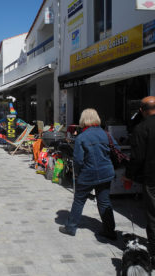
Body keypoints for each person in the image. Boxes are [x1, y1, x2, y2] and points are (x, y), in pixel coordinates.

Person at [59, 108, 118, 239]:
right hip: (105, 173)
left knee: (79, 201)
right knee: (104, 202)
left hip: (88, 174)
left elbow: (78, 160)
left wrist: (77, 174)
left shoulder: (82, 137)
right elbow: (116, 149)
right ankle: (109, 231)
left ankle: (71, 227)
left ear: (83, 120)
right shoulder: (106, 134)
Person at [124, 96, 155, 261]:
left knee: (153, 216)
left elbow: (137, 158)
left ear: (142, 111)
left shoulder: (142, 128)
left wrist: (129, 176)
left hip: (152, 179)